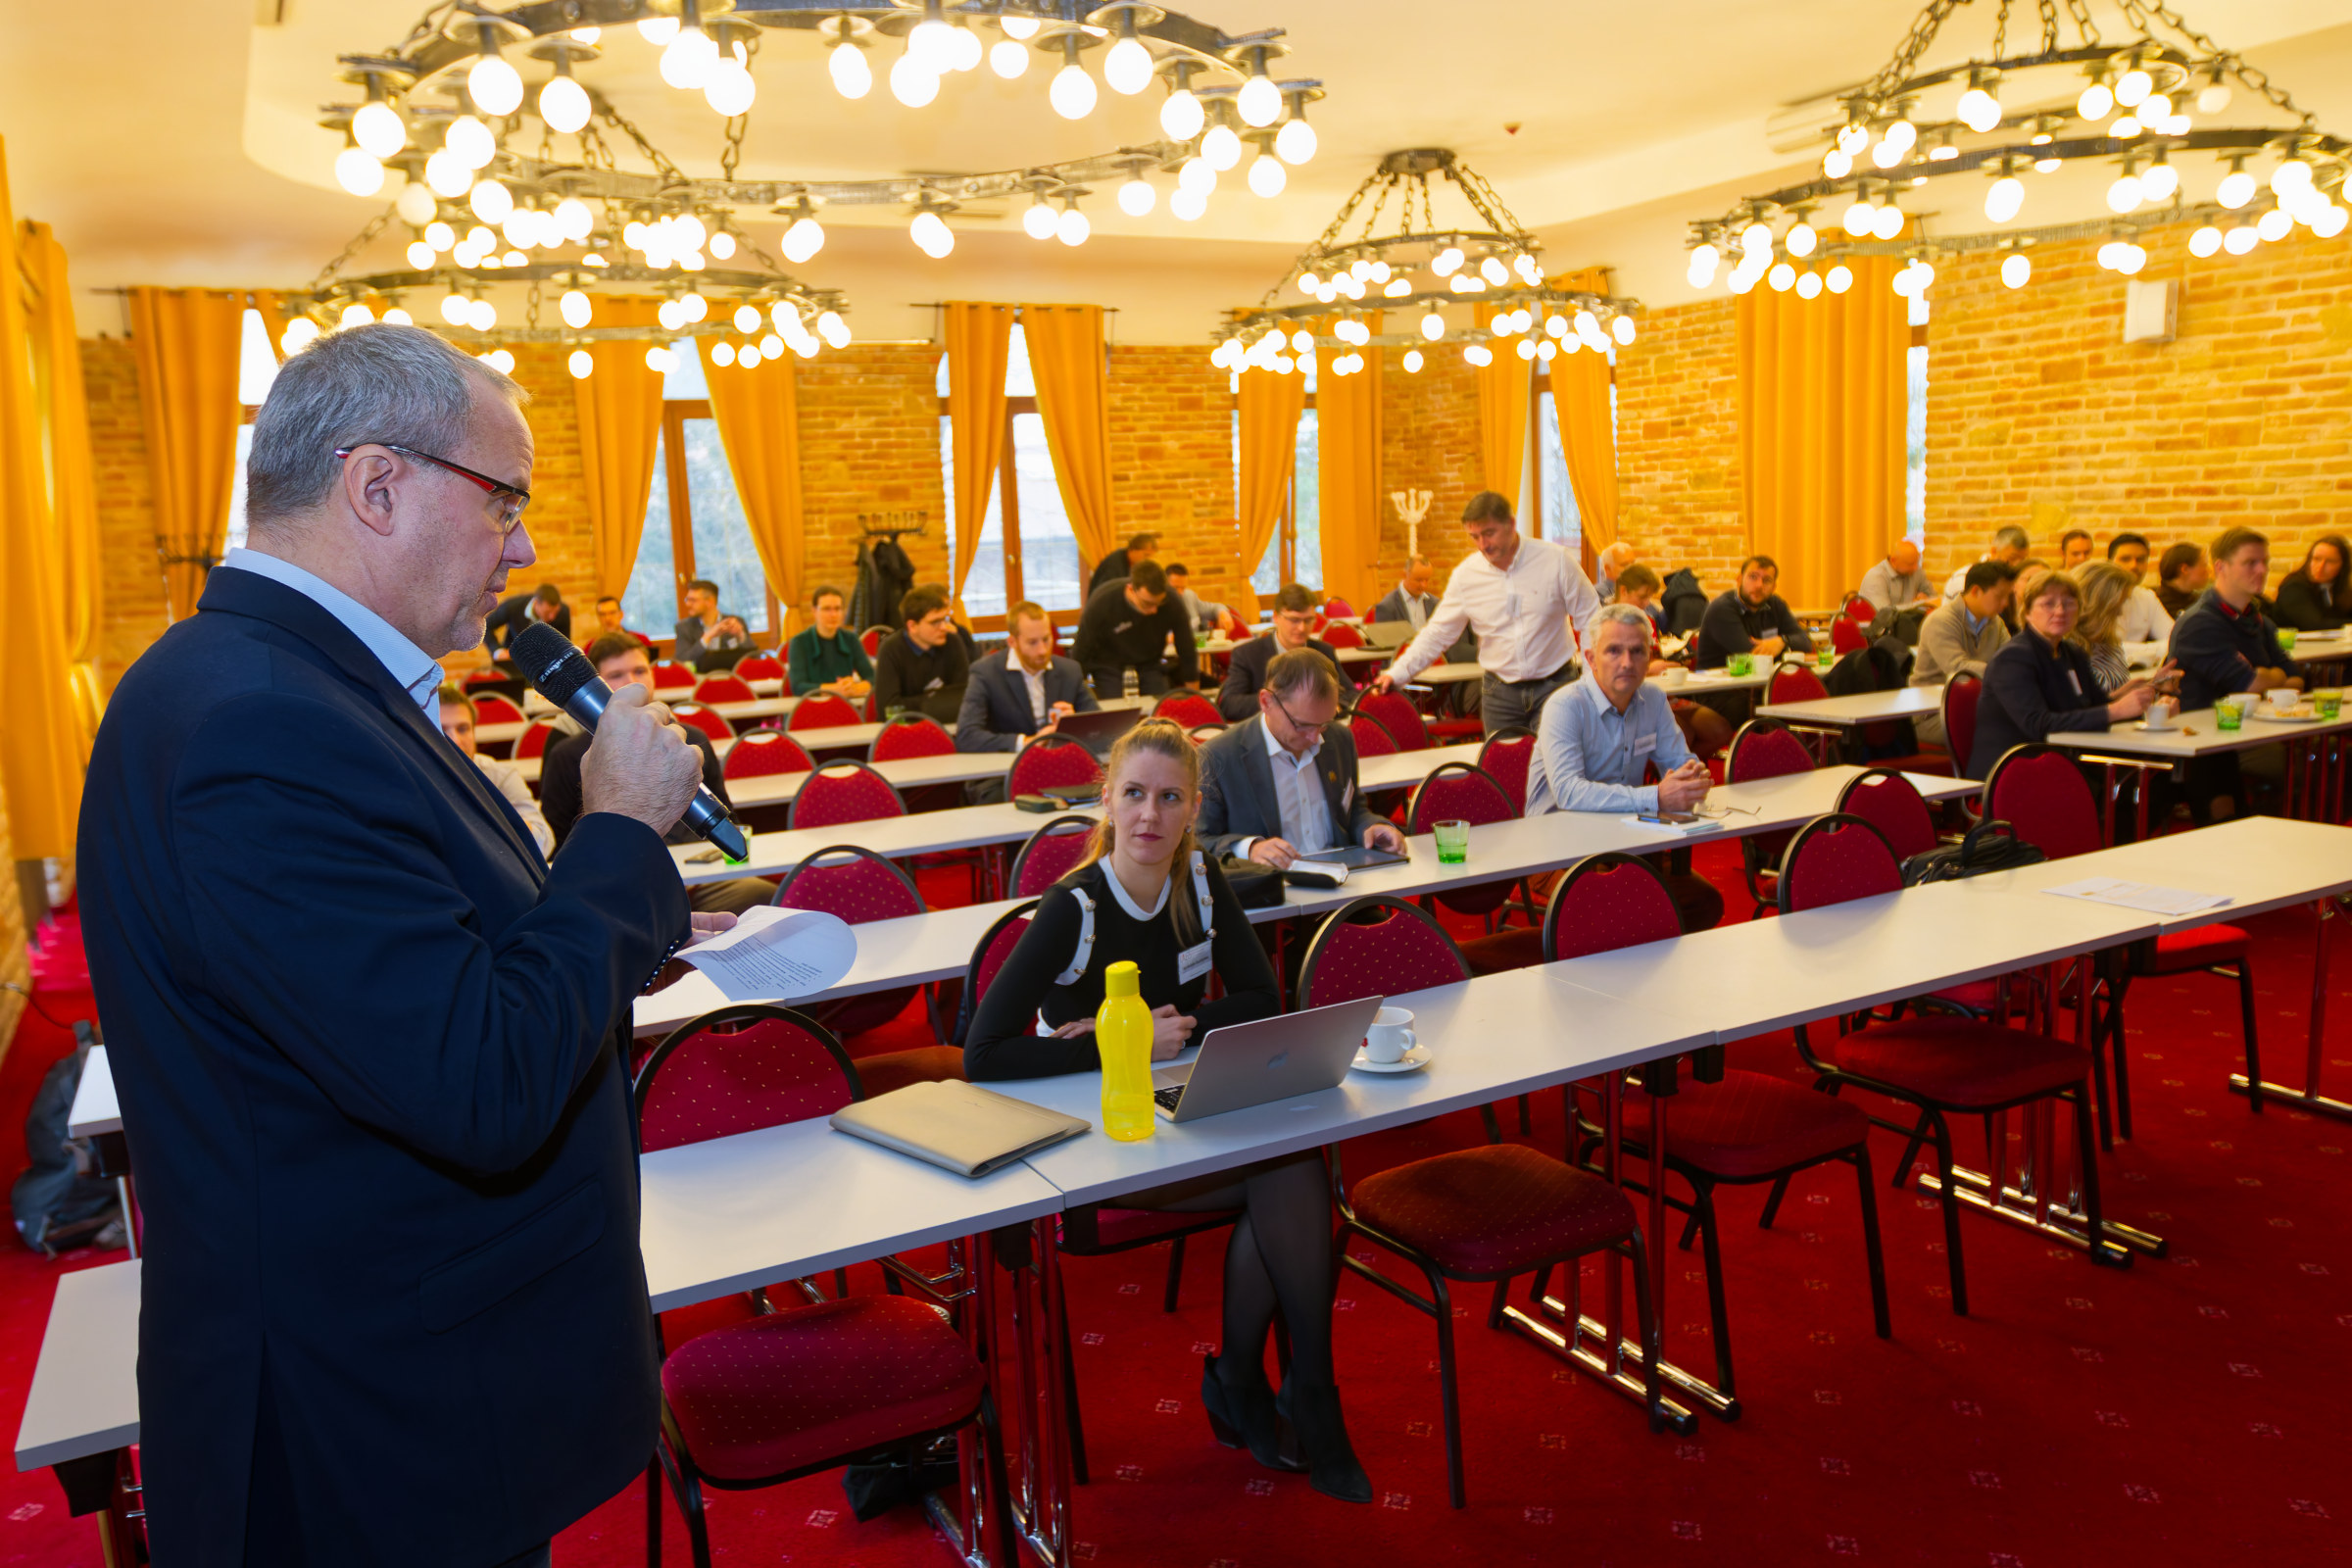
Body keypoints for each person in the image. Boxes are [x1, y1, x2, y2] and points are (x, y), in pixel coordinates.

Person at [77, 323, 712, 1567]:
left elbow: (427, 965)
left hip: (410, 1389)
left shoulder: (298, 682)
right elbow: (476, 1083)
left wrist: (617, 911)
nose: (521, 548)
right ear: (376, 486)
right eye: (504, 501)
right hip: (367, 1434)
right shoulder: (261, 722)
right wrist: (621, 833)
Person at [962, 719, 1371, 1504]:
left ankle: (1278, 1383)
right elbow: (982, 1054)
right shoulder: (1074, 907)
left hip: (1177, 1110)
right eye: (1135, 795)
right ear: (1108, 801)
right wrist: (1119, 1042)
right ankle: (1281, 1391)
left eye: (1171, 798)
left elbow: (1260, 998)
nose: (1150, 815)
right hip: (1093, 1138)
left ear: (1194, 808)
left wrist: (1177, 1029)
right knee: (1287, 1174)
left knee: (1291, 1164)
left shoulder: (1202, 882)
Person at [540, 633, 775, 915]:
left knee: (765, 896)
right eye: (616, 675)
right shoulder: (566, 755)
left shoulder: (690, 739)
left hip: (701, 879)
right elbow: (559, 845)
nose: (632, 682)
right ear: (595, 686)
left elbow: (729, 818)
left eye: (640, 671)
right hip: (620, 889)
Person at [1521, 608, 1727, 927]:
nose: (1627, 662)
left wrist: (1692, 779)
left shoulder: (1653, 699)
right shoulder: (1566, 706)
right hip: (1557, 849)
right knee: (1614, 910)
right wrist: (1657, 797)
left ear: (1650, 658)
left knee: (1703, 903)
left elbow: (1679, 761)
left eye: (1637, 651)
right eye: (1614, 651)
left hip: (1624, 839)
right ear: (1591, 658)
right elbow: (1569, 793)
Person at [1369, 490, 1601, 735]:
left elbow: (1592, 620)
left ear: (1511, 524)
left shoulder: (1556, 561)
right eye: (1475, 537)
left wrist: (1590, 683)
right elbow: (1437, 633)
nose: (1483, 545)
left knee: (1554, 758)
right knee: (1500, 760)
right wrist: (1397, 674)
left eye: (1489, 533)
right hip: (1499, 693)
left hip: (1555, 684)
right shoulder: (1466, 575)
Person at [1197, 649, 1405, 865]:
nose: (1315, 738)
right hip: (1271, 881)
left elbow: (1352, 811)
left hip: (1343, 872)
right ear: (1266, 702)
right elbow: (1199, 840)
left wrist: (1371, 827)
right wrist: (1249, 849)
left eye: (1324, 724)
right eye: (1301, 725)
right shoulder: (1219, 757)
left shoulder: (1339, 739)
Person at [1970, 569, 2162, 779]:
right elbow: (2038, 724)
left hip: (2062, 759)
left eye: (2069, 603)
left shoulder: (2071, 653)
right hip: (2013, 770)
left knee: (2153, 768)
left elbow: (2095, 706)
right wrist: (2115, 711)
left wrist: (2151, 703)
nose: (2060, 611)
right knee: (2140, 775)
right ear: (2027, 612)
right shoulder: (2013, 659)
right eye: (2048, 604)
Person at [2170, 526, 2305, 710]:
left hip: (2255, 722)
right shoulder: (2199, 624)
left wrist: (2266, 677)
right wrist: (2278, 676)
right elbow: (2249, 685)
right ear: (2220, 567)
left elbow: (2297, 681)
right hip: (2206, 725)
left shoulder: (2259, 620)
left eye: (2265, 562)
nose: (2262, 570)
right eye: (2250, 563)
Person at [957, 600, 1100, 754]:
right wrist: (1027, 742)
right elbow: (966, 736)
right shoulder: (986, 673)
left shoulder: (1069, 670)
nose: (1042, 650)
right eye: (1032, 642)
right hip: (1009, 764)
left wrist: (1075, 723)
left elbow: (1099, 726)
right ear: (1012, 642)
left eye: (1046, 639)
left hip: (1061, 760)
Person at [439, 683, 555, 856]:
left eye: (463, 729)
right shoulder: (414, 776)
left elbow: (544, 841)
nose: (455, 740)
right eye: (442, 730)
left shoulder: (500, 776)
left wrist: (498, 821)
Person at [1909, 561, 2014, 747]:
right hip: (1934, 714)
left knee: (2021, 722)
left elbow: (2011, 660)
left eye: (2008, 596)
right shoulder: (1941, 621)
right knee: (2000, 729)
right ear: (1975, 591)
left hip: (1976, 706)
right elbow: (1958, 669)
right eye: (1999, 596)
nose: (2005, 603)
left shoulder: (1995, 622)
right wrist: (2004, 673)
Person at [1071, 559, 1198, 700]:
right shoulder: (1102, 601)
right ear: (1131, 590)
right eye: (1147, 603)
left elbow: (1187, 647)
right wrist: (1076, 695)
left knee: (1161, 704)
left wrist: (1193, 698)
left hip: (1149, 665)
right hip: (1109, 666)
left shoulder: (1172, 600)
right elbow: (1081, 650)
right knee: (1116, 708)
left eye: (1158, 603)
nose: (1154, 610)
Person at [1217, 583, 1342, 720]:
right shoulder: (1247, 654)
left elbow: (1349, 694)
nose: (1301, 628)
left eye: (1308, 620)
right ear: (1276, 617)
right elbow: (1230, 704)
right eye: (1294, 620)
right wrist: (1282, 700)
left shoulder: (1324, 651)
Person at [872, 582, 971, 724]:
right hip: (904, 728)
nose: (944, 627)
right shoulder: (891, 649)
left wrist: (919, 703)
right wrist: (936, 701)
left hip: (947, 726)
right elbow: (888, 709)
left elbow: (963, 698)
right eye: (935, 622)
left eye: (944, 619)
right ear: (912, 626)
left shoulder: (953, 642)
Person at [1694, 554, 1814, 668]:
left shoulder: (1775, 604)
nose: (1759, 585)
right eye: (1753, 577)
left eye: (1767, 580)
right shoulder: (1721, 609)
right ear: (1739, 580)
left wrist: (1782, 641)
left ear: (1774, 587)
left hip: (1761, 678)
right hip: (1718, 680)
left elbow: (1806, 643)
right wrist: (1796, 656)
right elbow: (1752, 655)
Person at [786, 582, 874, 701]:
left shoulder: (851, 639)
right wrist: (836, 689)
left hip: (844, 704)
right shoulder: (799, 642)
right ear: (814, 611)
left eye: (837, 609)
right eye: (826, 609)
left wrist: (856, 688)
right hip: (811, 706)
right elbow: (798, 686)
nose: (833, 615)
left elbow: (873, 677)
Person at [2105, 533, 2175, 645]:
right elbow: (2107, 650)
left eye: (2140, 560)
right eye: (2125, 559)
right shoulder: (2095, 597)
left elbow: (2174, 639)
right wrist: (2156, 650)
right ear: (2109, 563)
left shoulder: (2147, 597)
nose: (2133, 565)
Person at [2274, 534, 2350, 631]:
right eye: (2316, 559)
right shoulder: (2294, 587)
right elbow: (2315, 625)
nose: (2320, 567)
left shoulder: (2336, 588)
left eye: (2330, 561)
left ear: (2343, 566)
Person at [483, 580, 569, 662]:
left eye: (555, 612)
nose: (552, 617)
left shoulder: (563, 612)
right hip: (514, 661)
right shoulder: (512, 607)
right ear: (536, 603)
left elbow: (563, 646)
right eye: (547, 612)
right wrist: (498, 651)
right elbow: (486, 626)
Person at [674, 577, 751, 666]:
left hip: (731, 673)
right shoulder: (684, 627)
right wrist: (707, 637)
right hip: (700, 674)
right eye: (687, 599)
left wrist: (741, 635)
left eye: (693, 600)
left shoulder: (735, 622)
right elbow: (682, 660)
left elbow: (754, 656)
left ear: (710, 601)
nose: (688, 604)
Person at [1942, 525, 2032, 600]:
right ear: (1994, 552)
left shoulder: (2016, 580)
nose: (2017, 565)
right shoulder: (1964, 578)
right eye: (2012, 558)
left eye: (2023, 560)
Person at [1855, 539, 1936, 613]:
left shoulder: (1916, 572)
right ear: (1893, 561)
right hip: (1881, 624)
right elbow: (1884, 614)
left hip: (1907, 621)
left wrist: (1927, 601)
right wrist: (1918, 605)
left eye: (1917, 562)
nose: (1915, 567)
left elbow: (1934, 599)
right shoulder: (1876, 577)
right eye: (1910, 564)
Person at [1165, 562, 1241, 639]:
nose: (1180, 593)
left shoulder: (1189, 596)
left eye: (1183, 588)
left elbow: (1213, 608)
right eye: (1175, 588)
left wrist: (1223, 613)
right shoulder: (1158, 605)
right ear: (1164, 584)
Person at [1086, 529, 1161, 598]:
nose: (1147, 560)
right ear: (1133, 549)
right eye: (1146, 555)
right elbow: (1107, 593)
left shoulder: (1132, 563)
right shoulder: (1114, 564)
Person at [1373, 555, 1439, 628]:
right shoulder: (1387, 607)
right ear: (1404, 575)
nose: (1423, 585)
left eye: (1426, 580)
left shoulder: (1436, 604)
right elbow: (1384, 635)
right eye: (1418, 580)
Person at [2155, 541, 2209, 617]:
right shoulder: (2156, 605)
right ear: (2185, 569)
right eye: (2204, 565)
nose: (2208, 570)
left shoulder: (2202, 601)